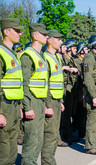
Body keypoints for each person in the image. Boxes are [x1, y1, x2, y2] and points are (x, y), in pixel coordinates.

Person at [20, 23, 49, 164]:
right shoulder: (28, 55)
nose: (47, 36)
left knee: (38, 138)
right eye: (44, 34)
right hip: (32, 100)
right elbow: (24, 83)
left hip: (41, 100)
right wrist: (27, 106)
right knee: (31, 138)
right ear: (35, 36)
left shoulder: (41, 55)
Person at [0, 18, 24, 165]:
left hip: (14, 106)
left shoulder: (13, 54)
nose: (20, 33)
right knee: (3, 149)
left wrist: (20, 107)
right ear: (6, 31)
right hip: (4, 106)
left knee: (12, 147)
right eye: (17, 30)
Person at [41, 29, 65, 164]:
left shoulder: (56, 57)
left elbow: (58, 82)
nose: (61, 42)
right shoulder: (46, 57)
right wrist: (48, 105)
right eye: (58, 39)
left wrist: (60, 101)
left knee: (54, 135)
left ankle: (49, 161)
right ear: (50, 40)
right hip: (50, 102)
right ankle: (48, 162)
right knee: (49, 135)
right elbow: (47, 83)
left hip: (56, 100)